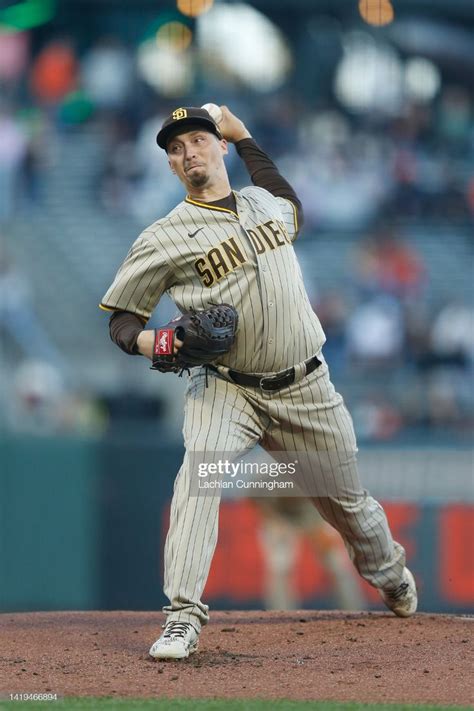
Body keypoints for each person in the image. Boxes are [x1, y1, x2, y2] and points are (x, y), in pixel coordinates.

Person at [100, 106, 417, 660]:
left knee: (347, 504)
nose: (188, 152)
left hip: (306, 388)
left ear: (218, 147)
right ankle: (182, 616)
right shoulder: (163, 238)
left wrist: (245, 134)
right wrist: (164, 343)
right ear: (172, 165)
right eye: (176, 148)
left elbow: (288, 200)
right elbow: (122, 321)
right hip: (229, 390)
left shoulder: (263, 203)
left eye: (198, 139)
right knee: (199, 477)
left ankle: (389, 573)